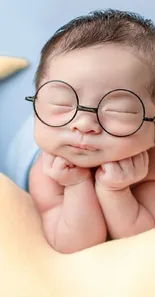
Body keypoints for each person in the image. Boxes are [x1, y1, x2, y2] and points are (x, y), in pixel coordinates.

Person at [5, 9, 155, 253]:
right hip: (42, 134)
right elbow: (73, 244)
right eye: (62, 103)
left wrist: (115, 193)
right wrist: (76, 186)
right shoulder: (47, 172)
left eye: (119, 111)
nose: (83, 124)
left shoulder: (148, 170)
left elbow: (141, 243)